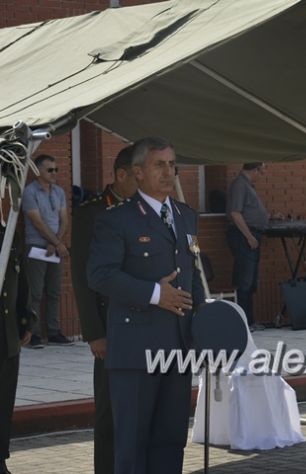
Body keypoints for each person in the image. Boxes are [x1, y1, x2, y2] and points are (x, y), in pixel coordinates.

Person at [87, 137, 205, 474]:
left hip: (177, 351)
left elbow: (193, 275)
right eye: (159, 165)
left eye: (172, 164)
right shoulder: (117, 220)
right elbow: (99, 275)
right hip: (136, 351)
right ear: (138, 172)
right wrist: (155, 294)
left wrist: (202, 329)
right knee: (133, 445)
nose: (169, 172)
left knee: (170, 442)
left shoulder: (185, 216)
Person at [71, 145, 138, 474]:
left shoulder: (147, 210)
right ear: (121, 174)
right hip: (110, 325)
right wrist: (94, 332)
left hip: (145, 324)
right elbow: (82, 277)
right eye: (138, 175)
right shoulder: (93, 213)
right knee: (110, 410)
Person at [21, 154, 71, 347]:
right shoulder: (30, 192)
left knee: (54, 291)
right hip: (36, 247)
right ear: (38, 171)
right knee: (34, 293)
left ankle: (53, 331)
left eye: (56, 169)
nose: (54, 173)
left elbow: (64, 220)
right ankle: (31, 333)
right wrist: (56, 243)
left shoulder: (58, 192)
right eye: (50, 170)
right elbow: (37, 221)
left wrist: (56, 242)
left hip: (54, 246)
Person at [0, 232, 33, 474]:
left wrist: (26, 321)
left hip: (7, 336)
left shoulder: (10, 236)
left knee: (4, 402)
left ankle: (0, 457)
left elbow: (21, 281)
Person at [226, 162, 269, 332]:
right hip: (244, 237)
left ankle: (250, 320)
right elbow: (235, 213)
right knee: (244, 280)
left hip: (251, 235)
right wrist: (249, 236)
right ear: (255, 169)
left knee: (250, 281)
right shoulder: (240, 185)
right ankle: (243, 321)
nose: (262, 175)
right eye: (262, 170)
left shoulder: (246, 185)